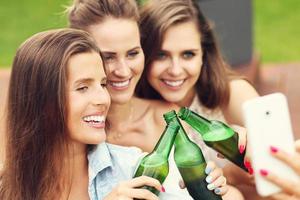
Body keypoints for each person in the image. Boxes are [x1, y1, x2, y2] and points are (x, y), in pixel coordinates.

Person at [67, 0, 236, 199]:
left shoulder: (167, 120)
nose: (123, 70)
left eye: (132, 53)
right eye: (108, 57)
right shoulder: (73, 134)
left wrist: (217, 187)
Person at [0, 28, 163, 200]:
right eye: (83, 88)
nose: (103, 99)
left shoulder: (136, 172)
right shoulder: (6, 187)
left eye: (103, 84)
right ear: (41, 100)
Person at [136, 0, 262, 198]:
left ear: (204, 53)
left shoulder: (234, 94)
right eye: (161, 55)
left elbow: (283, 170)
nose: (176, 70)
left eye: (188, 54)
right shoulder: (144, 116)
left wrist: (251, 155)